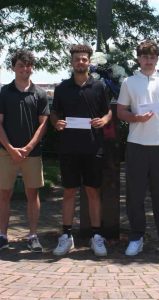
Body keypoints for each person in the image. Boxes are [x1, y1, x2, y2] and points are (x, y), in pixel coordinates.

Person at [117, 40, 159, 256]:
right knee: (135, 196)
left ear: (157, 59)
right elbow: (120, 112)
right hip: (136, 145)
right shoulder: (129, 82)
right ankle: (136, 237)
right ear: (138, 58)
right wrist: (135, 118)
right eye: (144, 57)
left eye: (152, 57)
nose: (148, 61)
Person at [50, 44, 112, 256]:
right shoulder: (62, 88)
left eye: (84, 59)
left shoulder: (99, 87)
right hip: (69, 148)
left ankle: (97, 236)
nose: (80, 62)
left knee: (93, 191)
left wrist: (103, 120)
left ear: (89, 61)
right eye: (77, 59)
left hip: (93, 147)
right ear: (71, 62)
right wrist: (57, 123)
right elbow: (54, 113)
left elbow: (108, 112)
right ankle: (66, 235)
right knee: (68, 192)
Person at [0, 49, 49, 252]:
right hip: (5, 152)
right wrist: (10, 148)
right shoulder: (3, 92)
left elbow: (43, 124)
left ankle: (33, 235)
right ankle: (2, 235)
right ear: (13, 67)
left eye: (28, 65)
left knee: (32, 194)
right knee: (3, 194)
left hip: (32, 154)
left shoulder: (39, 94)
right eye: (21, 65)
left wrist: (28, 148)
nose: (25, 69)